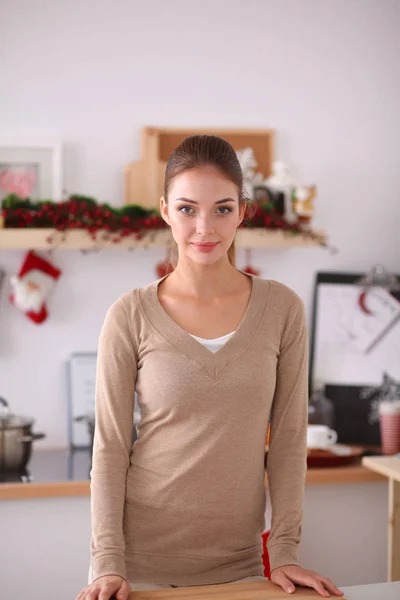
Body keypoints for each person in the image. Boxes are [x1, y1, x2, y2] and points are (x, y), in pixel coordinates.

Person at [76, 135, 344, 600]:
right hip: (138, 569)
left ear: (242, 211)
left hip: (240, 564)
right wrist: (106, 562)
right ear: (164, 211)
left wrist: (283, 552)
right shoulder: (130, 314)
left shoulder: (282, 309)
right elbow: (111, 447)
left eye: (222, 209)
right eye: (187, 209)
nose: (204, 227)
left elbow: (287, 439)